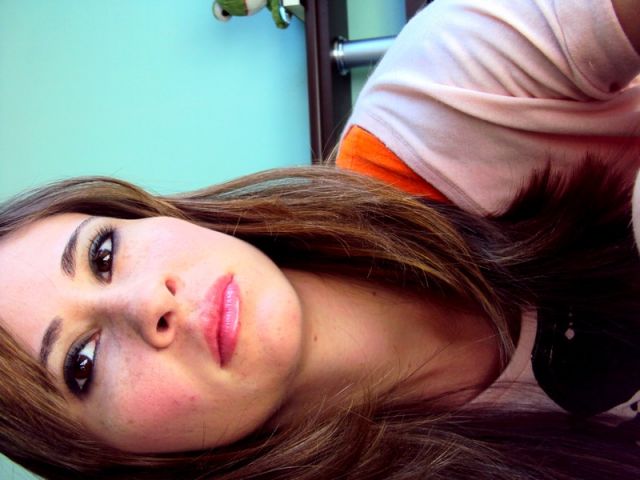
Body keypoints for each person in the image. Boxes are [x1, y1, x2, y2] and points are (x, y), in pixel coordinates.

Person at [0, 0, 638, 479]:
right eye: (82, 363)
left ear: (151, 214)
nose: (147, 304)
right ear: (120, 460)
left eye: (103, 254)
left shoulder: (439, 91)